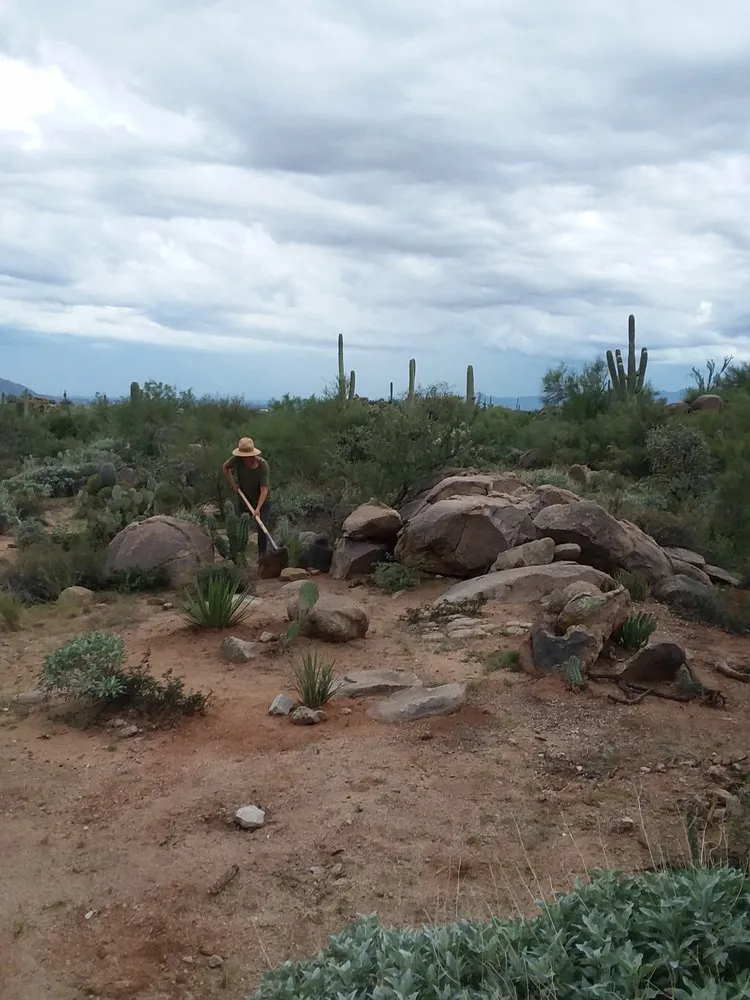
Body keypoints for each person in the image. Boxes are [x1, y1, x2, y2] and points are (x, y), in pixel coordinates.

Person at [222, 437, 273, 559]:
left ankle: (262, 557)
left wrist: (258, 508)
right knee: (241, 526)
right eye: (243, 456)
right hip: (244, 498)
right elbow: (225, 467)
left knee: (262, 528)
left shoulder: (263, 466)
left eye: (248, 456)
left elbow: (264, 489)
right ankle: (240, 556)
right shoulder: (237, 460)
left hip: (262, 501)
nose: (246, 459)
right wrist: (233, 484)